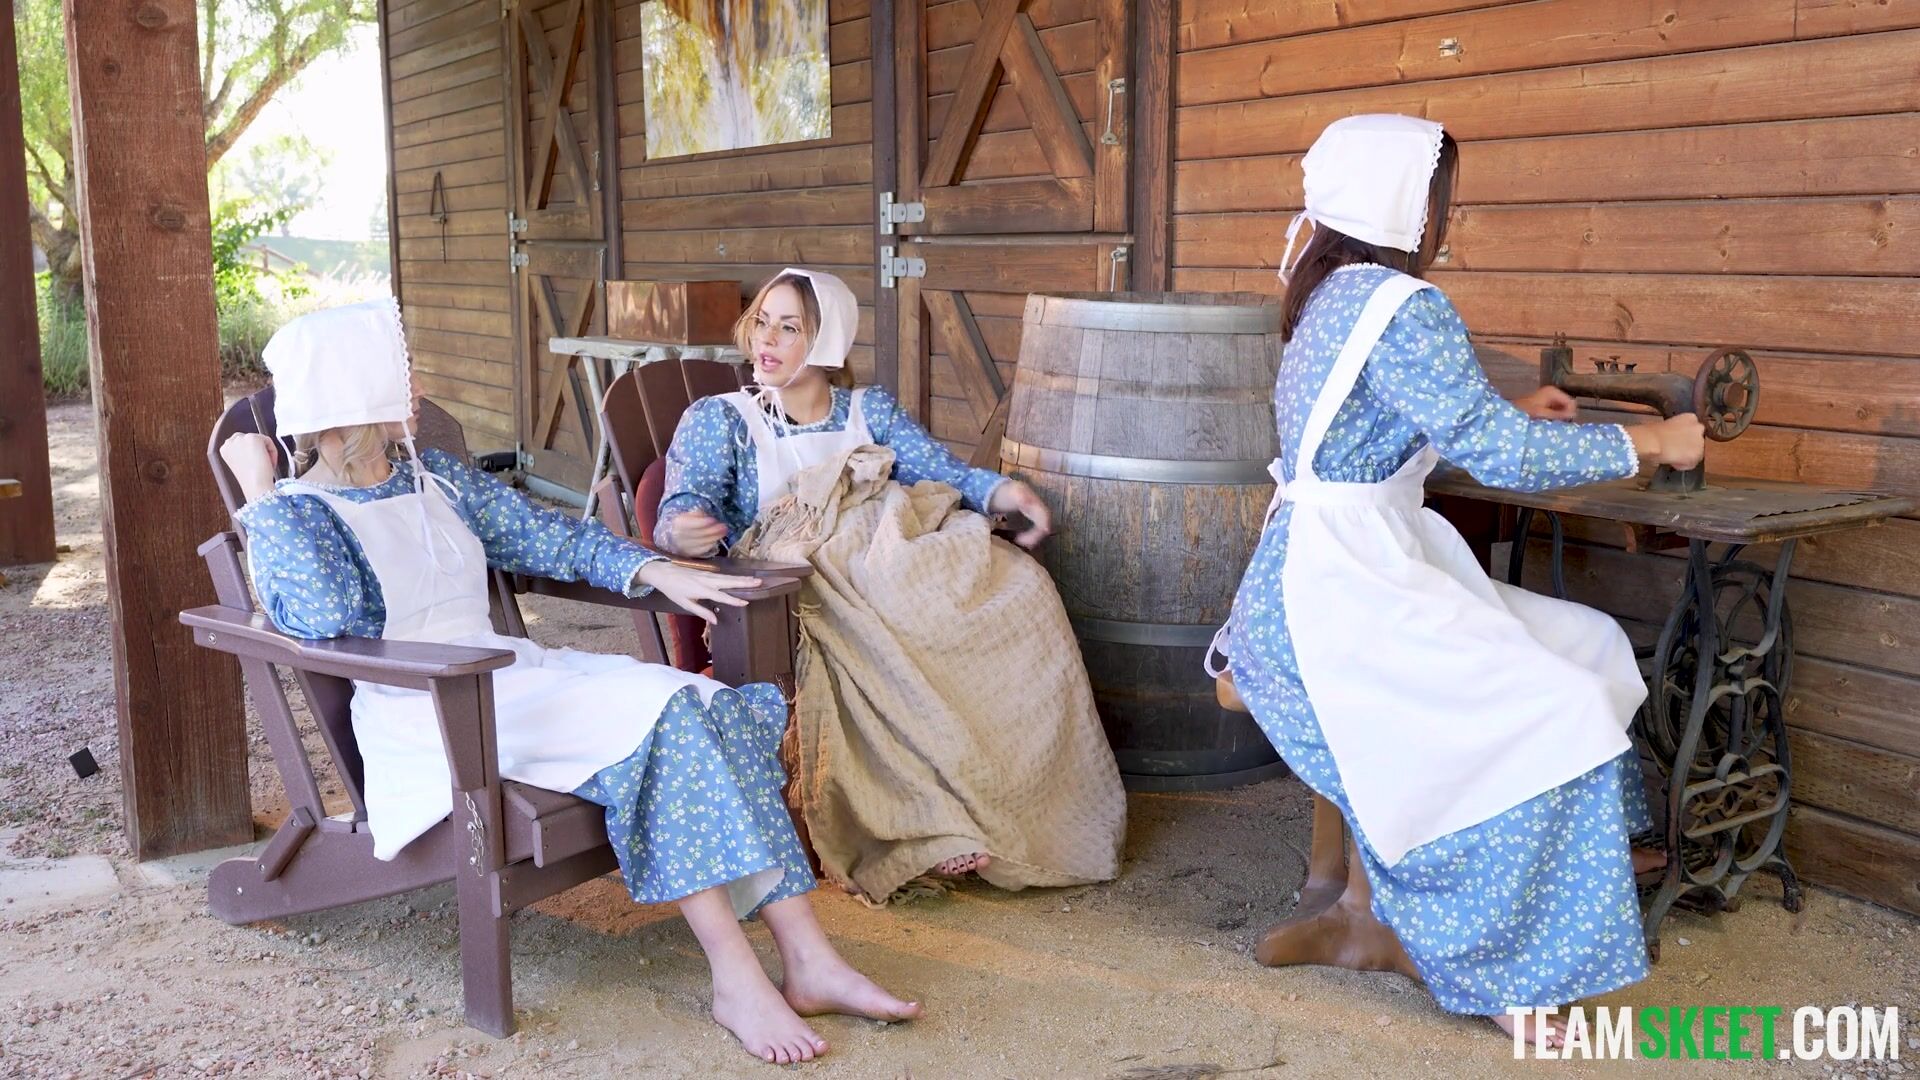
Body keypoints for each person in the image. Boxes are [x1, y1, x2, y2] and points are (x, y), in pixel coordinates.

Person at [218, 297, 918, 1065]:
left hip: (510, 682)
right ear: (351, 393)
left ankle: (808, 959)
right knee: (671, 723)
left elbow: (546, 535)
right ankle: (737, 978)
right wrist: (258, 492)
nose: (414, 387)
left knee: (701, 705)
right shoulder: (302, 512)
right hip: (431, 711)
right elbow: (321, 614)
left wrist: (650, 568)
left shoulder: (435, 478)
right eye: (399, 371)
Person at [1208, 115, 1703, 1048]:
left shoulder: (1333, 289)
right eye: (1442, 202)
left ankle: (1576, 862)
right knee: (1552, 705)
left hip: (1332, 570)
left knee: (1587, 642)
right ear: (1405, 205)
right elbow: (1504, 457)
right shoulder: (1400, 303)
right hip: (1339, 589)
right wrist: (1650, 440)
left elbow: (1376, 428)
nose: (1449, 220)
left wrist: (1504, 406)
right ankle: (1500, 964)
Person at [654, 268, 1127, 902]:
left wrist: (1003, 492)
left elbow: (941, 471)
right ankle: (927, 824)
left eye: (789, 328)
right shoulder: (724, 420)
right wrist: (683, 531)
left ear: (827, 340)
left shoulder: (867, 411)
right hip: (792, 589)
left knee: (1021, 587)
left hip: (880, 560)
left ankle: (1026, 796)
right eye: (761, 321)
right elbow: (682, 505)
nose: (766, 338)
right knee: (881, 626)